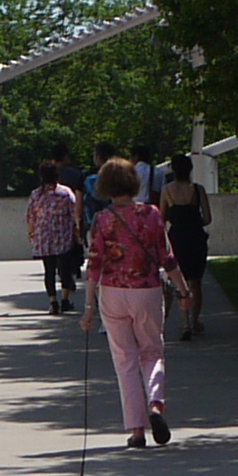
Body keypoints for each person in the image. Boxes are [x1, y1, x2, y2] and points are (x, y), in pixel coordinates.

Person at [86, 158, 187, 448]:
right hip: (146, 290)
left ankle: (137, 430)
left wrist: (89, 306)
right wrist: (183, 290)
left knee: (125, 360)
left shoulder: (102, 220)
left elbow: (94, 263)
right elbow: (167, 257)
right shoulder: (151, 214)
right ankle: (156, 404)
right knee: (152, 352)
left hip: (112, 292)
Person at [159, 153, 213, 341]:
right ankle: (195, 320)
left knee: (179, 282)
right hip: (196, 237)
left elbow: (161, 218)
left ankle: (185, 323)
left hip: (177, 238)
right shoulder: (198, 190)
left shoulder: (167, 191)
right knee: (195, 282)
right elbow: (208, 218)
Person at [28, 158, 86, 313]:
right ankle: (65, 300)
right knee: (65, 269)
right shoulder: (65, 192)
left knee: (49, 270)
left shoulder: (36, 195)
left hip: (44, 237)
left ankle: (53, 301)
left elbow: (31, 217)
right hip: (63, 236)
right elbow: (74, 213)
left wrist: (31, 233)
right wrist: (77, 232)